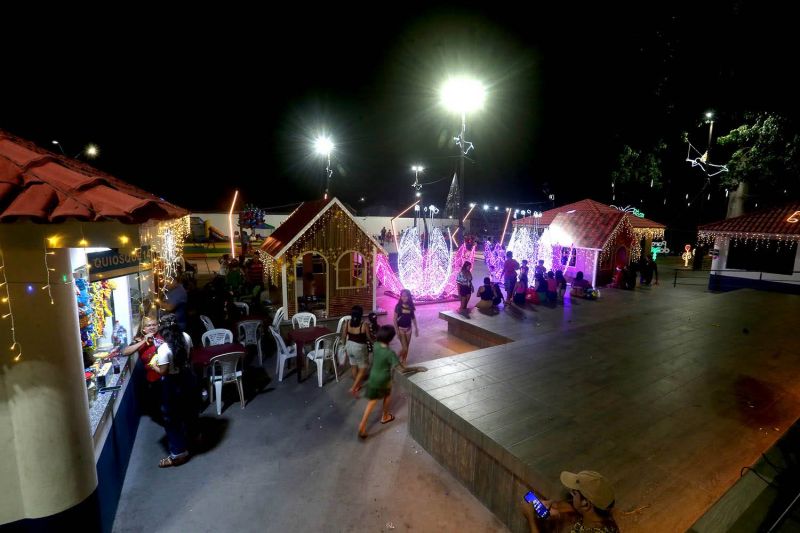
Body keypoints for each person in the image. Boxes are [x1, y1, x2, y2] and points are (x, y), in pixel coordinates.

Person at [149, 314, 197, 468]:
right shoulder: (186, 337)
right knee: (189, 408)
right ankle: (194, 437)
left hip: (172, 383)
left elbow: (162, 371)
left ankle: (178, 454)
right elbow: (191, 356)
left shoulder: (164, 349)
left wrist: (153, 365)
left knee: (171, 417)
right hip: (187, 376)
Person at [520, 470, 619, 533]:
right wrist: (553, 506)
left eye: (574, 493)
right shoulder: (600, 516)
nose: (571, 496)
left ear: (586, 504)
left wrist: (530, 518)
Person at [358, 325, 404, 439]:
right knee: (387, 395)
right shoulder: (390, 353)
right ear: (391, 338)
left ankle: (362, 424)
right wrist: (401, 353)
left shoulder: (376, 345)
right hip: (384, 379)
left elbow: (385, 359)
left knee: (372, 401)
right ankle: (385, 416)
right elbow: (399, 367)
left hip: (373, 377)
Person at [122, 316, 163, 422]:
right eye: (149, 325)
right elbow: (125, 352)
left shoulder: (162, 335)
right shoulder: (139, 339)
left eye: (154, 325)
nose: (152, 327)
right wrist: (144, 341)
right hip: (154, 377)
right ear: (143, 329)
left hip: (167, 373)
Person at [343, 305, 373, 397]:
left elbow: (344, 336)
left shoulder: (347, 323)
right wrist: (374, 342)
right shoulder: (364, 325)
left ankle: (357, 385)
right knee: (363, 368)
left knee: (353, 366)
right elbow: (369, 337)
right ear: (361, 314)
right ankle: (354, 387)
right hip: (359, 348)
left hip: (349, 346)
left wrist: (344, 346)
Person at [393, 289, 418, 363]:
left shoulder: (411, 306)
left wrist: (416, 328)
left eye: (406, 296)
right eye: (402, 296)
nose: (404, 297)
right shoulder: (398, 306)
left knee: (407, 347)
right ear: (400, 297)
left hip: (409, 329)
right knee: (405, 348)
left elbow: (413, 317)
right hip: (400, 329)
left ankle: (403, 361)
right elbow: (394, 320)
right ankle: (395, 359)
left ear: (409, 297)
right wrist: (397, 331)